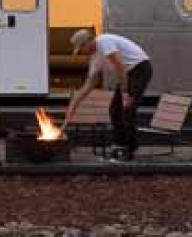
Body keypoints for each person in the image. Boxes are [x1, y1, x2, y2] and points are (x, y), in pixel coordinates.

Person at [64, 28, 153, 159]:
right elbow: (87, 86)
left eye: (81, 48)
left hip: (140, 68)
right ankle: (119, 145)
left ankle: (128, 149)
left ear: (88, 42)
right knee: (114, 110)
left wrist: (125, 92)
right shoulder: (95, 58)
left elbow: (119, 65)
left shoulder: (104, 41)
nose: (82, 52)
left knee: (127, 109)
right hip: (127, 73)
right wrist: (70, 113)